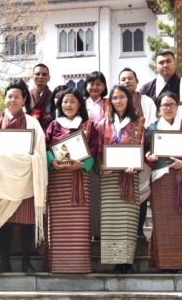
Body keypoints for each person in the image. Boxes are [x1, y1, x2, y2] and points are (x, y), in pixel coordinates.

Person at [0, 79, 47, 274]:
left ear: (24, 99)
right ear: (4, 99)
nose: (13, 100)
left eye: (17, 96)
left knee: (27, 221)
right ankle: (4, 261)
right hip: (3, 180)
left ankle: (26, 262)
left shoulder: (33, 123)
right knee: (4, 221)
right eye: (9, 96)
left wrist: (31, 159)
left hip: (27, 179)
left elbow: (40, 150)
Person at [143, 92, 182, 272]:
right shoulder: (152, 128)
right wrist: (149, 156)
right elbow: (145, 153)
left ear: (177, 106)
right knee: (163, 221)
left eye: (172, 104)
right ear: (159, 108)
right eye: (164, 105)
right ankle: (166, 264)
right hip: (161, 178)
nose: (168, 108)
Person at [43, 88, 97, 274]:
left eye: (73, 101)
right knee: (57, 224)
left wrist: (82, 164)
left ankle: (78, 265)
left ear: (80, 104)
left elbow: (95, 150)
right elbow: (45, 148)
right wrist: (52, 161)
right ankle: (57, 266)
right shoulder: (53, 125)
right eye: (65, 101)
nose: (68, 105)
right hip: (58, 180)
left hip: (79, 179)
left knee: (79, 224)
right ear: (59, 104)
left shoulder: (88, 125)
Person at [95, 85, 146, 273]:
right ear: (110, 101)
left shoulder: (138, 123)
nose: (118, 101)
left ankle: (127, 262)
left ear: (129, 99)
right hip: (109, 179)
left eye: (122, 97)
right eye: (115, 98)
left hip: (129, 178)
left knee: (127, 222)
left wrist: (137, 165)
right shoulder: (102, 124)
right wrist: (101, 165)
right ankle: (115, 261)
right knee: (111, 221)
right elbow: (97, 150)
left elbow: (142, 148)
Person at [118, 67, 157, 242]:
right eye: (123, 79)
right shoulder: (116, 100)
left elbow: (152, 124)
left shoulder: (146, 101)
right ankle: (123, 231)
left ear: (137, 81)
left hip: (141, 153)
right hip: (120, 156)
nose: (127, 81)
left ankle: (139, 231)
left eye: (130, 78)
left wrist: (139, 140)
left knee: (141, 193)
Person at [139, 50, 182, 123]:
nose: (165, 65)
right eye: (161, 63)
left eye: (168, 61)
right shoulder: (147, 88)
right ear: (156, 67)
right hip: (155, 129)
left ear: (175, 64)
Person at [84, 70, 108, 242]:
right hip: (84, 151)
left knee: (101, 192)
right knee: (89, 191)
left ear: (104, 86)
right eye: (91, 83)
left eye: (99, 84)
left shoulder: (109, 103)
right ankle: (88, 231)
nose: (95, 87)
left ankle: (101, 232)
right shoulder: (80, 102)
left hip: (103, 150)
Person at [29, 64, 53, 130]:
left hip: (49, 131)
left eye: (44, 74)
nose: (41, 77)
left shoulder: (53, 97)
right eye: (37, 74)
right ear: (32, 77)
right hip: (29, 130)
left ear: (49, 78)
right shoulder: (25, 96)